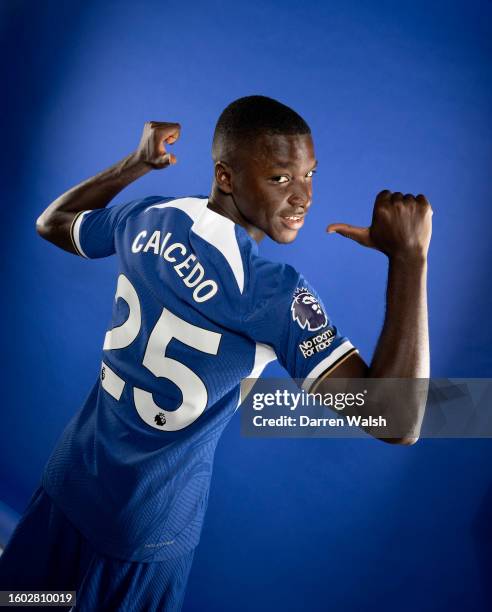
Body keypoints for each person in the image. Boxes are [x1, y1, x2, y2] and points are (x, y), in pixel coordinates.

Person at [0, 96, 432, 610]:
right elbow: (397, 418)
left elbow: (53, 221)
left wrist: (135, 164)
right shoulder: (272, 292)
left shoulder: (152, 215)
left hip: (67, 483)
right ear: (226, 177)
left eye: (310, 175)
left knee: (26, 602)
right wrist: (410, 259)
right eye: (280, 178)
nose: (304, 196)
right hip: (143, 537)